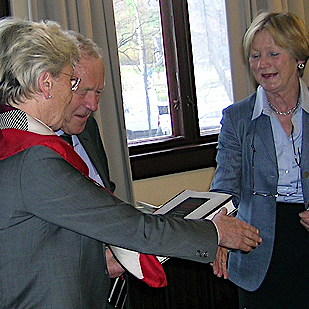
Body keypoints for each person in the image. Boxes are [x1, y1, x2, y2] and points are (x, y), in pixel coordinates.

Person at [0, 17, 261, 309]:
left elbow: (40, 243)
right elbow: (133, 227)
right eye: (70, 81)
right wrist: (215, 232)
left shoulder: (12, 139)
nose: (76, 94)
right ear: (46, 83)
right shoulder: (34, 158)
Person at [210, 11, 309, 309]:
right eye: (255, 56)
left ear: (298, 58)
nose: (262, 64)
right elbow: (225, 184)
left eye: (273, 53)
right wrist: (217, 230)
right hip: (257, 247)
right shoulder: (237, 118)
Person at [56, 31, 124, 281]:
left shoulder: (88, 129)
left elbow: (106, 194)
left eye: (98, 92)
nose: (93, 105)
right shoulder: (32, 148)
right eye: (83, 91)